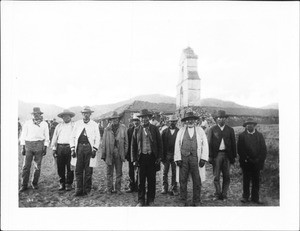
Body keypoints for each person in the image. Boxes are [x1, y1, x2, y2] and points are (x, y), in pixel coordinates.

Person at [174, 110, 209, 206]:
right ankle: (183, 199)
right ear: (185, 121)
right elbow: (177, 145)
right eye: (188, 120)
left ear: (195, 120)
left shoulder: (200, 130)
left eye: (192, 119)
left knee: (197, 180)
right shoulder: (181, 131)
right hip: (183, 159)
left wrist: (203, 158)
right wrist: (178, 159)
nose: (190, 121)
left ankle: (196, 200)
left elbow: (205, 144)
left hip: (195, 159)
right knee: (183, 179)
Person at [131, 109, 163, 206]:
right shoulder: (136, 130)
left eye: (146, 118)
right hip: (141, 158)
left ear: (149, 118)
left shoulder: (154, 129)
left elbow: (160, 143)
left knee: (151, 180)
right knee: (141, 181)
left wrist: (159, 157)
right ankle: (141, 200)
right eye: (142, 118)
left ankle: (150, 200)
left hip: (152, 158)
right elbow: (133, 146)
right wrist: (134, 160)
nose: (144, 120)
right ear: (140, 119)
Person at [70, 106, 100, 196]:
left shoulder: (94, 124)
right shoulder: (77, 124)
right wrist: (72, 148)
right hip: (79, 148)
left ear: (90, 114)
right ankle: (78, 189)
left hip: (89, 148)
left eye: (87, 113)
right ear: (82, 114)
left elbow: (98, 138)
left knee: (88, 170)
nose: (85, 115)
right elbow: (72, 137)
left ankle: (87, 189)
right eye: (84, 113)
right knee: (78, 170)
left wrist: (94, 149)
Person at [207, 110, 237, 201]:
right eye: (219, 118)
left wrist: (233, 157)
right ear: (216, 119)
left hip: (227, 155)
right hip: (217, 155)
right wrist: (210, 156)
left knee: (226, 176)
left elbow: (233, 144)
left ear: (225, 119)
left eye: (223, 118)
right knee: (216, 176)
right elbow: (209, 144)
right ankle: (217, 193)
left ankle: (224, 194)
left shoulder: (230, 130)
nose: (221, 120)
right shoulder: (212, 129)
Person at [19, 107, 50, 192]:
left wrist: (45, 147)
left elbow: (47, 136)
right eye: (34, 114)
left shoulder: (44, 124)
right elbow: (23, 135)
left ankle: (34, 183)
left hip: (39, 145)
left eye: (37, 114)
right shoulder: (27, 123)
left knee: (37, 166)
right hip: (28, 144)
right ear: (32, 115)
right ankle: (24, 185)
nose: (36, 115)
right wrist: (23, 146)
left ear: (40, 115)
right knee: (26, 166)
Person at [237, 118, 267, 204]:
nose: (249, 126)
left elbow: (263, 149)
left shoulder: (259, 135)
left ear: (254, 125)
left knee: (256, 180)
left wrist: (259, 159)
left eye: (250, 124)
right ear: (245, 126)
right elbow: (240, 149)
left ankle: (255, 197)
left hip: (257, 162)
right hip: (246, 162)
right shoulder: (242, 136)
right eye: (247, 124)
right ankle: (245, 196)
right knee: (246, 179)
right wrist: (246, 158)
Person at [101, 111, 128, 194]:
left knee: (119, 172)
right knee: (109, 173)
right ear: (111, 120)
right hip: (109, 153)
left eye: (116, 118)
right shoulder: (107, 129)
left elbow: (126, 143)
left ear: (118, 119)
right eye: (113, 119)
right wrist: (103, 154)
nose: (115, 120)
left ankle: (118, 189)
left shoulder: (123, 128)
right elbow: (103, 143)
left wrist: (124, 153)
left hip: (119, 154)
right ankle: (109, 189)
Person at [51, 109, 75, 191]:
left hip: (70, 148)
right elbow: (54, 138)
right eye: (64, 116)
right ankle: (62, 183)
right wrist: (54, 149)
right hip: (60, 147)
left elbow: (76, 138)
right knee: (60, 166)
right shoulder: (58, 126)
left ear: (70, 116)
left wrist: (74, 149)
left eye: (67, 115)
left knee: (70, 167)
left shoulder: (74, 126)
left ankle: (69, 183)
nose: (66, 117)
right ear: (62, 117)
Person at [161, 115, 179, 196]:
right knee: (165, 172)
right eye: (171, 121)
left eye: (174, 121)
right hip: (166, 154)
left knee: (175, 172)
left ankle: (174, 188)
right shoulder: (164, 132)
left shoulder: (179, 132)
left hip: (175, 155)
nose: (172, 123)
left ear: (176, 122)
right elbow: (161, 145)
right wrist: (162, 157)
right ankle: (164, 187)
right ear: (169, 122)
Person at [125, 113, 140, 193]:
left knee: (139, 171)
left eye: (137, 120)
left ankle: (138, 186)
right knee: (131, 171)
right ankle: (131, 186)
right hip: (131, 154)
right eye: (135, 120)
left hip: (140, 154)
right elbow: (127, 142)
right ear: (133, 121)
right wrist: (128, 154)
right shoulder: (130, 130)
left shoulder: (142, 129)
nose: (136, 122)